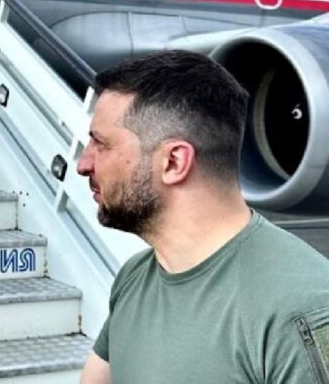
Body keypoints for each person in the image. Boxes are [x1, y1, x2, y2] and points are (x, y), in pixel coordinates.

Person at [76, 50, 329, 384]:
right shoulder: (134, 278)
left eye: (101, 144)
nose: (83, 164)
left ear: (174, 163)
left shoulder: (299, 308)